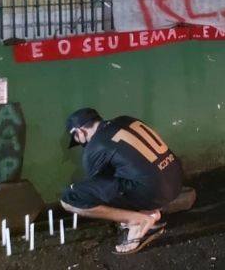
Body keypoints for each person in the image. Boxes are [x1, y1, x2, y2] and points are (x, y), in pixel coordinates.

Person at [61, 108, 183, 254]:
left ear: (80, 132)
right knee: (125, 174)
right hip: (177, 180)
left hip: (155, 191)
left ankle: (137, 221)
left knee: (70, 198)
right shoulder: (126, 119)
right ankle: (149, 212)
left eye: (76, 138)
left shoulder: (93, 148)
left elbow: (99, 191)